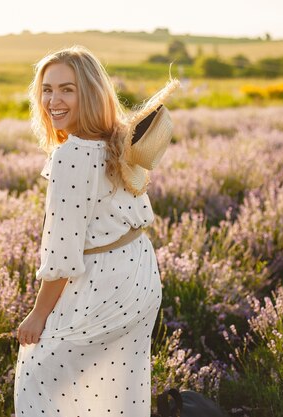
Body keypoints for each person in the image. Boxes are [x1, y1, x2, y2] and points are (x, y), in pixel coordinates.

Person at [14, 44, 171, 416]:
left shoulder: (71, 155)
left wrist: (38, 315)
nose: (53, 100)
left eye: (67, 89)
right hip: (139, 272)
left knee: (36, 381)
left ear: (90, 92)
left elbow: (61, 253)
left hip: (103, 282)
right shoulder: (118, 137)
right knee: (119, 388)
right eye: (47, 89)